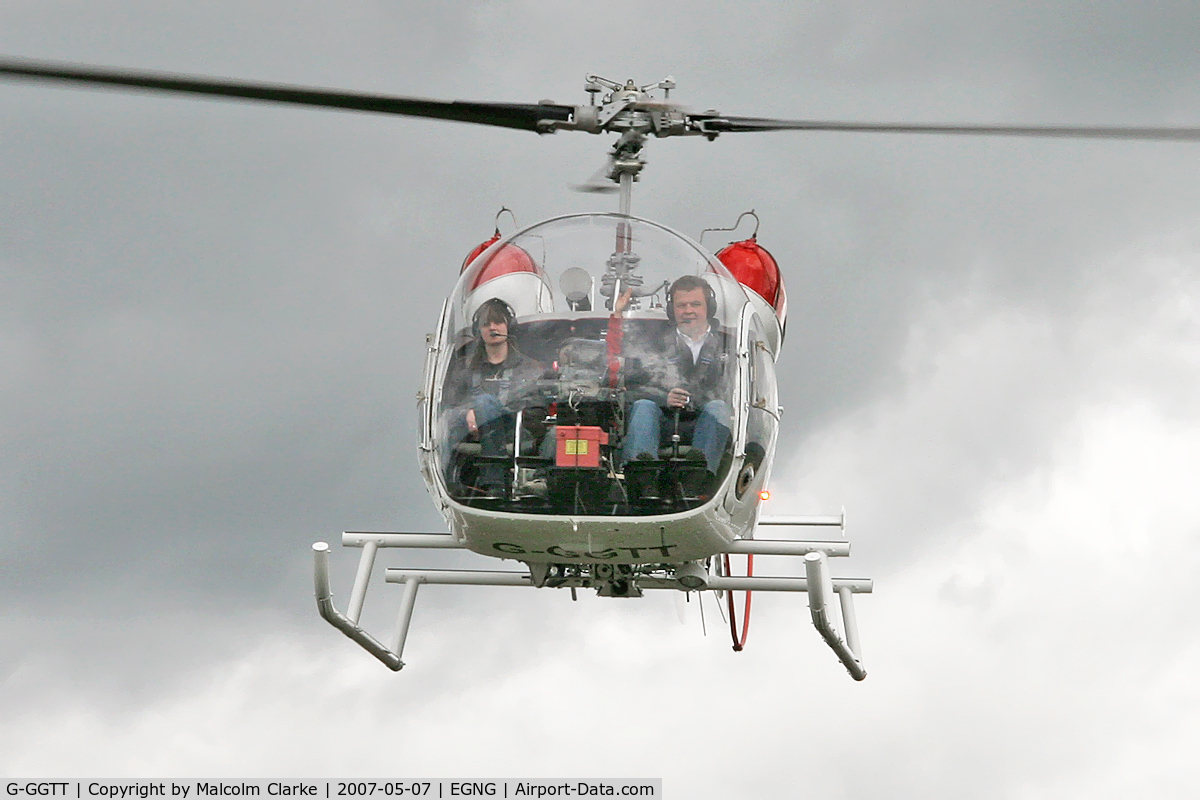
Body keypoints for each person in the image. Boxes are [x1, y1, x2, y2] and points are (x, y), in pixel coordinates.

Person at [621, 275, 733, 478]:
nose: (688, 311)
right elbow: (630, 390)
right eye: (682, 305)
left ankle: (699, 477)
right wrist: (664, 398)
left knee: (718, 408)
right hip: (663, 422)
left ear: (710, 307)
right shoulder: (653, 344)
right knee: (644, 406)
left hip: (706, 423)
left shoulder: (730, 346)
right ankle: (641, 476)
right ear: (672, 310)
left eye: (696, 304)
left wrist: (698, 399)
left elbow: (735, 392)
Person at [441, 297, 548, 493]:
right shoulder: (464, 367)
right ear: (478, 331)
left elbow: (536, 412)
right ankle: (449, 481)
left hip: (512, 429)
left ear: (509, 327)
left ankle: (494, 482)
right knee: (451, 421)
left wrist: (489, 412)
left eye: (498, 322)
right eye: (486, 324)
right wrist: (470, 413)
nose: (492, 328)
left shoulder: (528, 368)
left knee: (485, 402)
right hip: (469, 430)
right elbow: (447, 405)